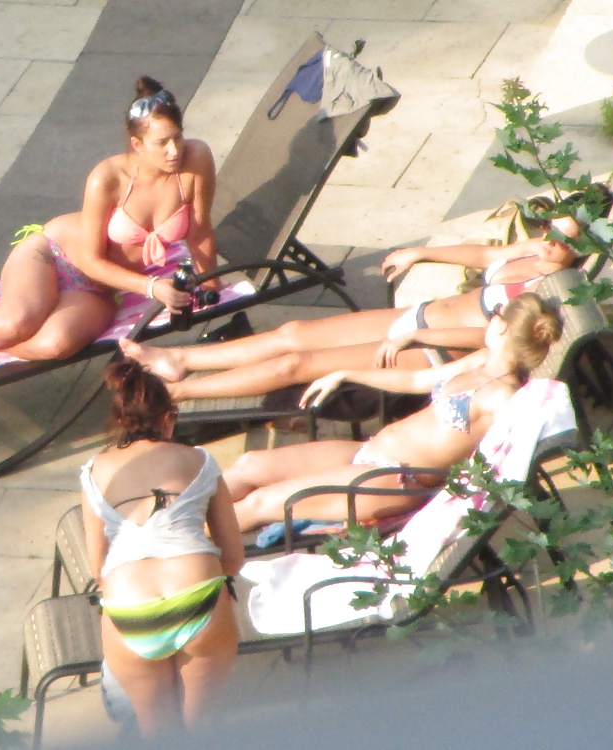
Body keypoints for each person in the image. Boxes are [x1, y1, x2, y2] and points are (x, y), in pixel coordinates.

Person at [0, 76, 219, 360]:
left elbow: (199, 230)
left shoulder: (196, 159)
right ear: (137, 144)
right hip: (54, 256)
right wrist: (151, 287)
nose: (174, 151)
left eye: (178, 138)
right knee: (14, 323)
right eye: (162, 143)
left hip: (101, 286)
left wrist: (213, 284)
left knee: (52, 345)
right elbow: (92, 258)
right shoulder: (107, 178)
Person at [118, 215, 580, 401]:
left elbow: (488, 339)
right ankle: (179, 360)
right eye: (547, 231)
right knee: (294, 331)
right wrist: (420, 252)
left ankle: (178, 394)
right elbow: (483, 257)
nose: (547, 242)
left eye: (559, 242)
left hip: (434, 348)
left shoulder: (540, 293)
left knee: (296, 363)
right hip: (420, 316)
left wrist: (417, 336)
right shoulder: (534, 252)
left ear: (574, 254)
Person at [220, 293, 562, 532]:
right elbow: (415, 379)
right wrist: (346, 374)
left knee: (260, 503)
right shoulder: (483, 362)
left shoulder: (503, 398)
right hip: (368, 452)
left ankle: (177, 553)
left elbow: (501, 465)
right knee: (251, 465)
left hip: (391, 482)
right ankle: (174, 521)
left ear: (501, 327)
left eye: (497, 314)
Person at [81, 359, 244, 738]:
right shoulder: (201, 460)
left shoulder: (93, 470)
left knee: (157, 735)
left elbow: (97, 567)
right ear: (170, 416)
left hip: (129, 608)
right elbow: (234, 557)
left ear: (119, 420)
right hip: (197, 593)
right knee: (202, 729)